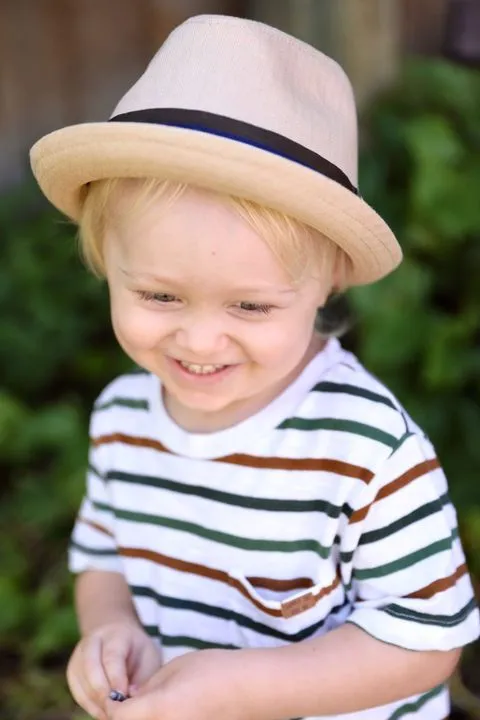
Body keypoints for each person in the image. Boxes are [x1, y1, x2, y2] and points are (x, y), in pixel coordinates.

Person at [30, 13, 479, 720]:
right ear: (104, 263)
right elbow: (105, 556)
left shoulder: (365, 448)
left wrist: (239, 690)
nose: (201, 342)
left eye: (249, 307)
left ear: (328, 280)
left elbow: (425, 643)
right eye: (158, 295)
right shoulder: (122, 417)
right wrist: (110, 628)